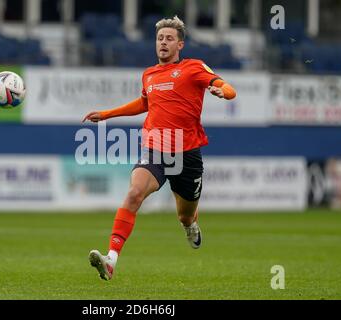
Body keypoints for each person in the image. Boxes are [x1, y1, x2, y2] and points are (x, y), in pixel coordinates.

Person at [82, 16, 237, 280]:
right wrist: (107, 114)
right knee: (134, 194)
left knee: (185, 216)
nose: (163, 42)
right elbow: (144, 104)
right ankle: (111, 260)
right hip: (156, 147)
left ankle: (190, 225)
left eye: (169, 39)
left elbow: (224, 85)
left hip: (187, 153)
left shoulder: (193, 68)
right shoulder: (149, 74)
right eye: (159, 38)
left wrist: (225, 91)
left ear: (180, 44)